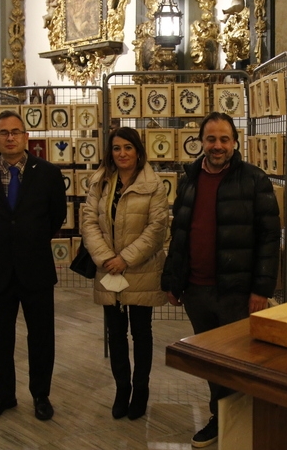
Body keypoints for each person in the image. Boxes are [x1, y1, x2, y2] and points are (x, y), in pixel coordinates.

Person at [161, 112, 280, 448]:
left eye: (224, 139)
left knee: (239, 362)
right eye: (211, 139)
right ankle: (221, 418)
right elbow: (180, 233)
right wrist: (173, 280)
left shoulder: (255, 180)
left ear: (235, 142)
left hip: (237, 292)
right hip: (197, 290)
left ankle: (245, 425)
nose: (217, 146)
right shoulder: (189, 179)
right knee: (212, 363)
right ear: (201, 141)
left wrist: (261, 289)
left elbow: (270, 238)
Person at [0, 110, 66, 422]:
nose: (10, 137)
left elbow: (56, 217)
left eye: (16, 132)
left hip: (35, 268)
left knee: (41, 337)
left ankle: (40, 396)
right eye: (3, 133)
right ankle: (2, 397)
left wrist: (28, 239)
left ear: (26, 137)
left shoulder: (48, 173)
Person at [80, 127, 169, 420]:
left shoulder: (154, 185)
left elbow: (156, 229)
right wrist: (107, 258)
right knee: (115, 334)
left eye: (128, 148)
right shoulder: (100, 182)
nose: (122, 154)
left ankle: (140, 390)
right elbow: (89, 222)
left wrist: (125, 259)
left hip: (140, 270)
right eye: (117, 148)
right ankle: (122, 389)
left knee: (141, 333)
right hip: (109, 272)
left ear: (138, 151)